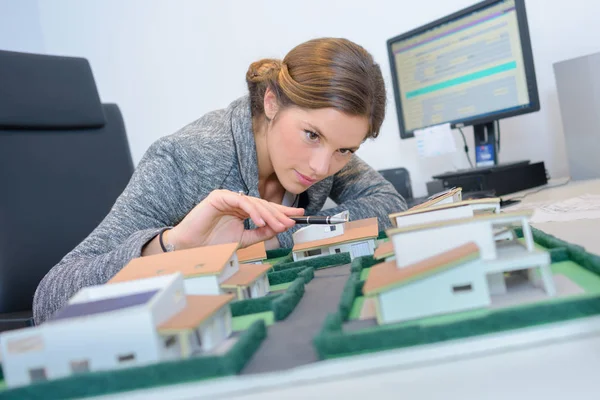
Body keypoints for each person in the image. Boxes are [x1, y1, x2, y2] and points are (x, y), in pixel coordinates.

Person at [33, 37, 407, 324]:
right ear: (272, 103)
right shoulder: (186, 158)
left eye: (345, 150)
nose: (322, 166)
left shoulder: (325, 151)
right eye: (311, 135)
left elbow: (387, 203)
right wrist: (173, 245)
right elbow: (49, 301)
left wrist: (277, 236)